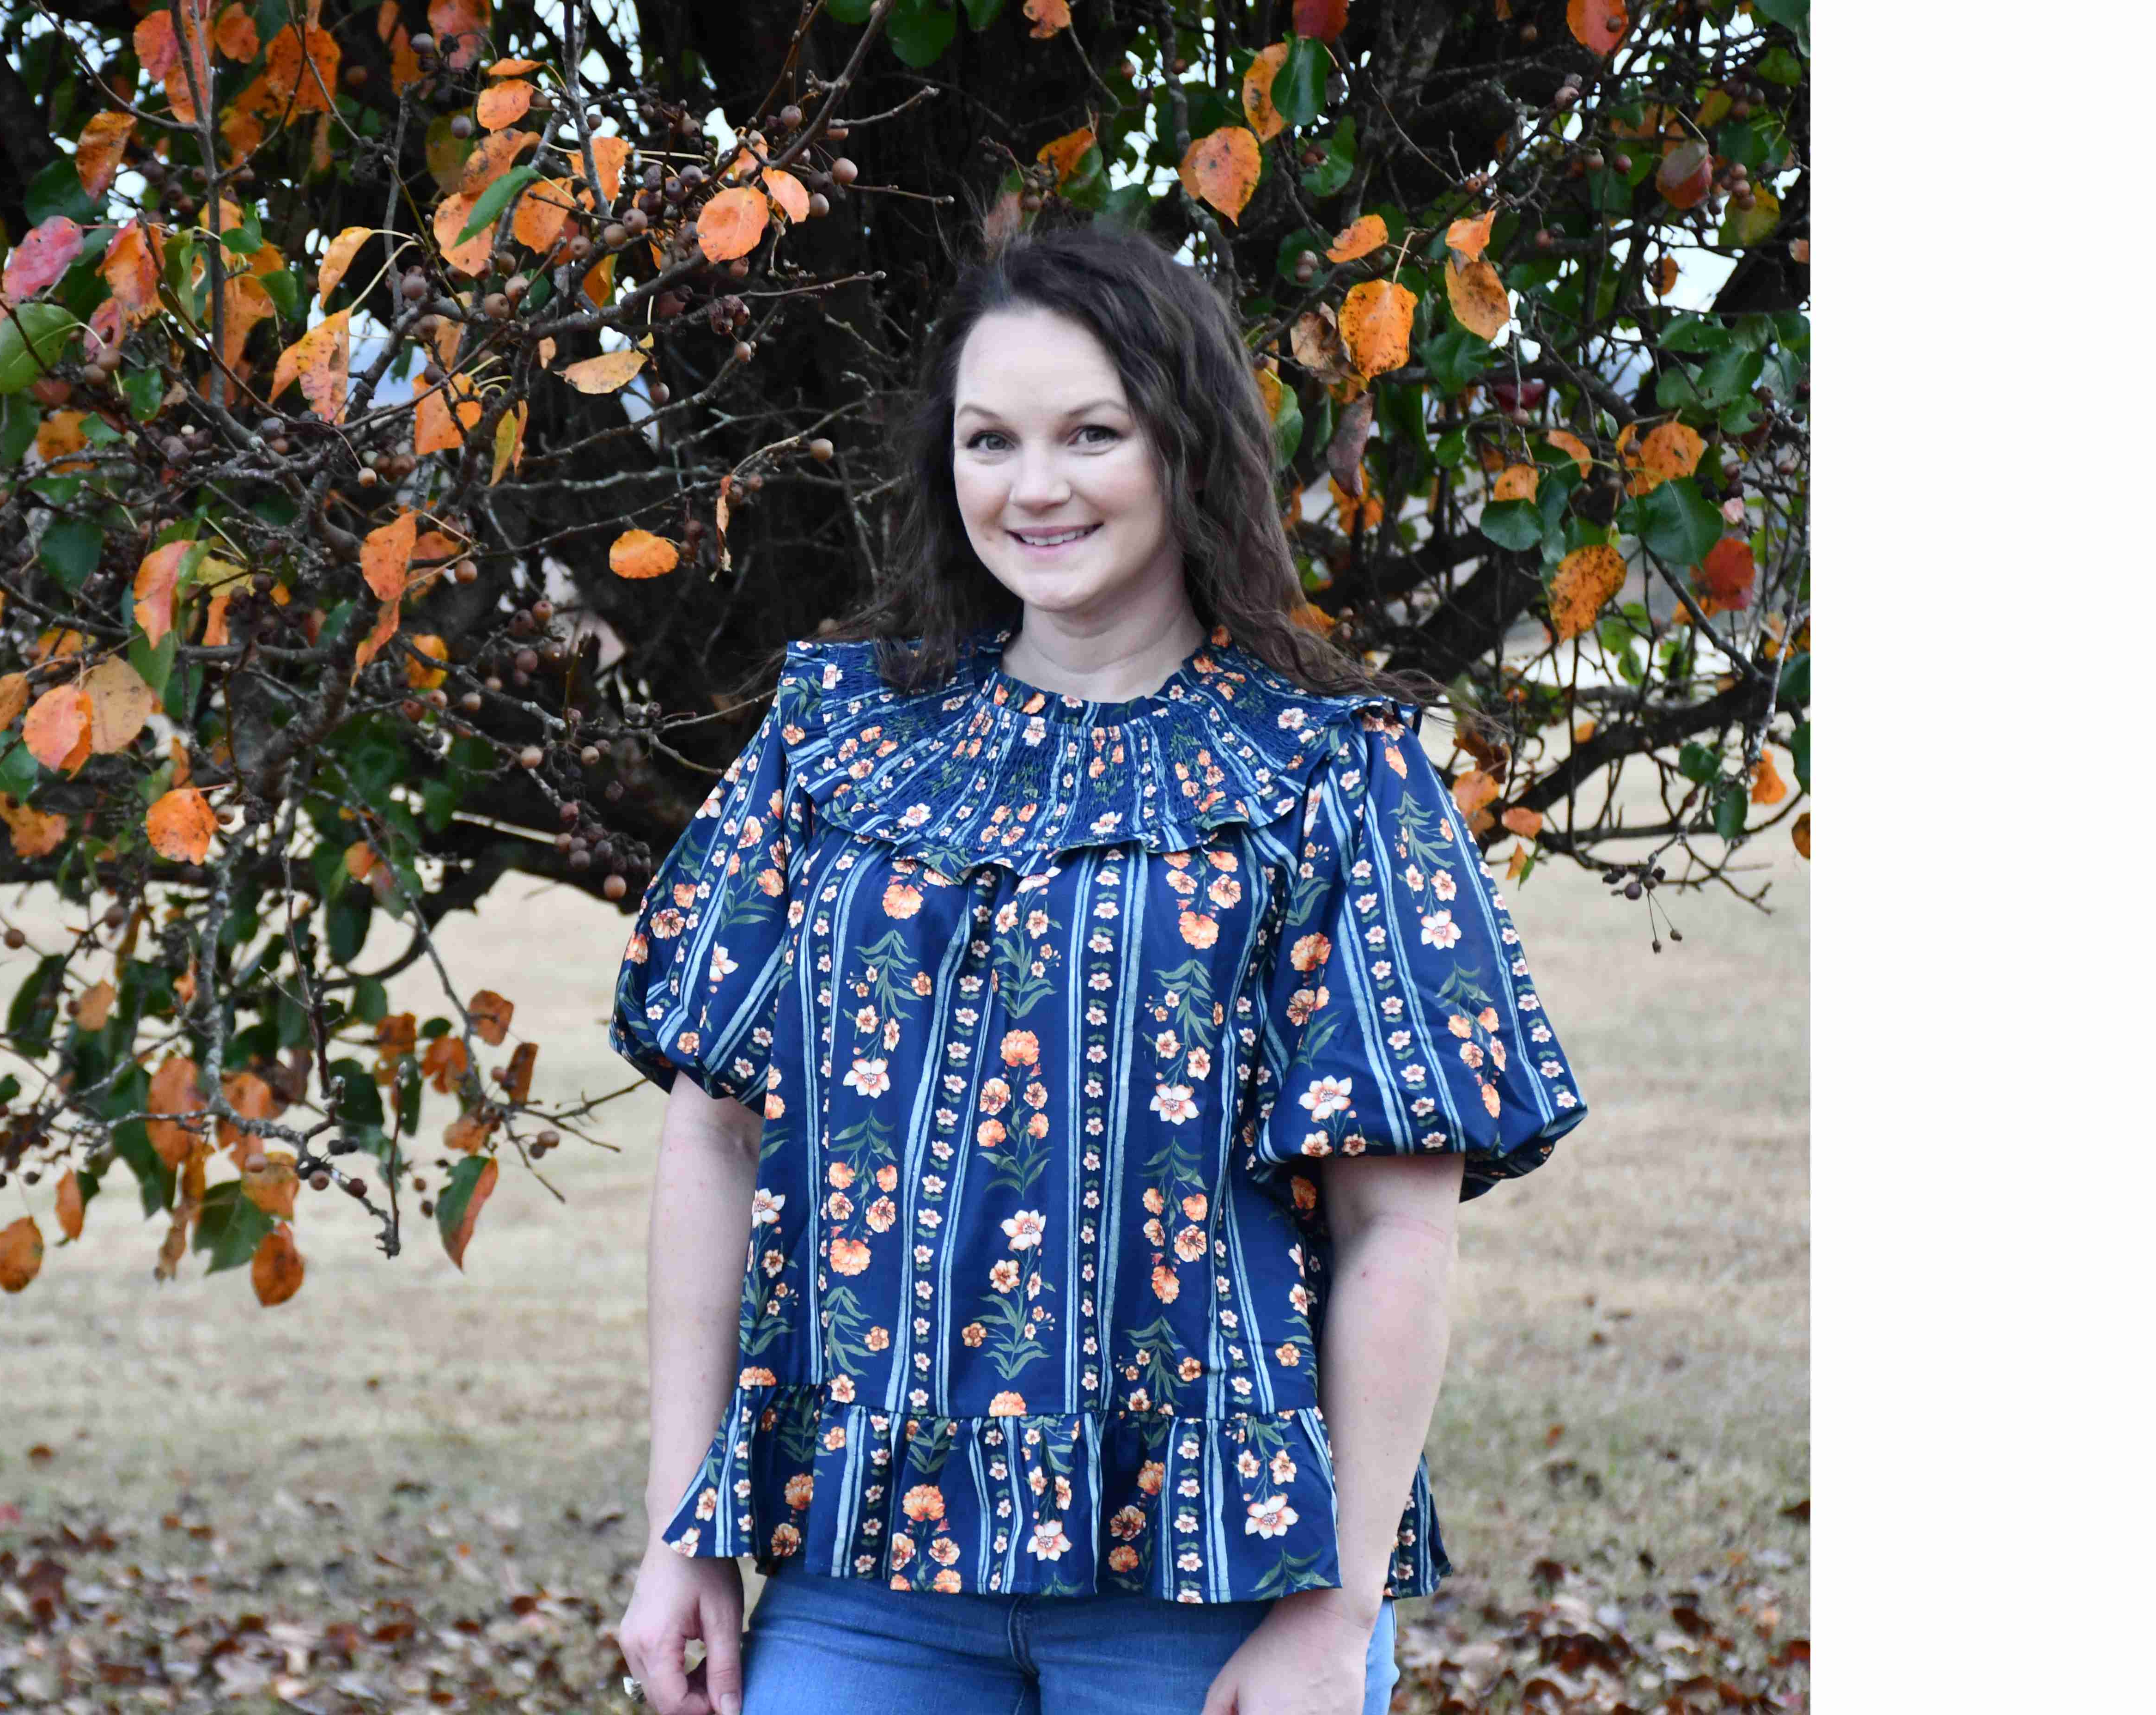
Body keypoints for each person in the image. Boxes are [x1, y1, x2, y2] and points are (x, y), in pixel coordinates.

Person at [608, 224, 1588, 1715]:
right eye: (989, 438)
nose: (1034, 486)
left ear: (1185, 447)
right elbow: (714, 1132)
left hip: (1214, 1599)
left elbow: (1402, 1226)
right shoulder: (835, 744)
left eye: (1092, 433)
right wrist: (690, 1530)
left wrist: (1334, 1617)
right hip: (863, 1592)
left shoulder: (1331, 775)